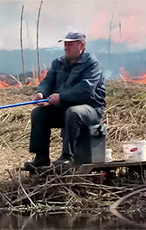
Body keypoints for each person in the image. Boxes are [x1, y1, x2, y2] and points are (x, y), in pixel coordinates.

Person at [24, 30, 106, 169]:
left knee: (73, 112)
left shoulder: (92, 64)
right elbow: (48, 82)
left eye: (70, 44)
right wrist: (41, 93)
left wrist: (62, 97)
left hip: (90, 109)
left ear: (81, 46)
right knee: (38, 114)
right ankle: (41, 157)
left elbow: (86, 89)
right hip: (64, 109)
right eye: (65, 44)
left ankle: (68, 156)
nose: (66, 47)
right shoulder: (59, 63)